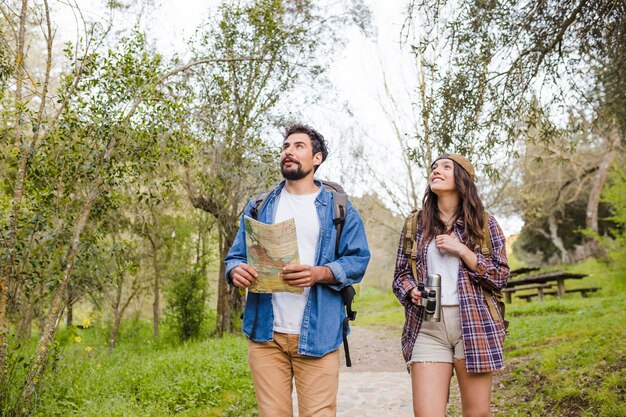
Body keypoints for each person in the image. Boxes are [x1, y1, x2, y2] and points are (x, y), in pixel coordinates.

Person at [224, 123, 370, 417]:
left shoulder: (340, 208)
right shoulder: (259, 206)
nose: (289, 152)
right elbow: (235, 257)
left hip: (318, 335)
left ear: (317, 158)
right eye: (286, 147)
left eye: (299, 146)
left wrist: (319, 273)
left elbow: (358, 260)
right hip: (266, 335)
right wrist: (236, 270)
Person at [392, 154, 509, 417]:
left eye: (446, 167)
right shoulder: (416, 225)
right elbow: (400, 275)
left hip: (474, 325)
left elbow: (500, 276)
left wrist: (464, 252)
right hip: (428, 326)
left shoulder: (484, 223)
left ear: (463, 178)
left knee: (477, 413)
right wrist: (411, 290)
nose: (437, 170)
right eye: (434, 167)